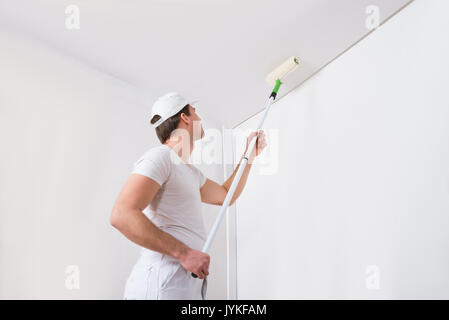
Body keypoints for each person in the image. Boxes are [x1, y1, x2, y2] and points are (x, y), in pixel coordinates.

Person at [110, 92, 267, 299]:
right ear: (184, 117)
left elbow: (226, 195)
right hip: (160, 284)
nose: (200, 119)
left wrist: (249, 156)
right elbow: (122, 214)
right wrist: (184, 253)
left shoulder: (191, 173)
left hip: (183, 285)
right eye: (195, 112)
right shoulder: (161, 157)